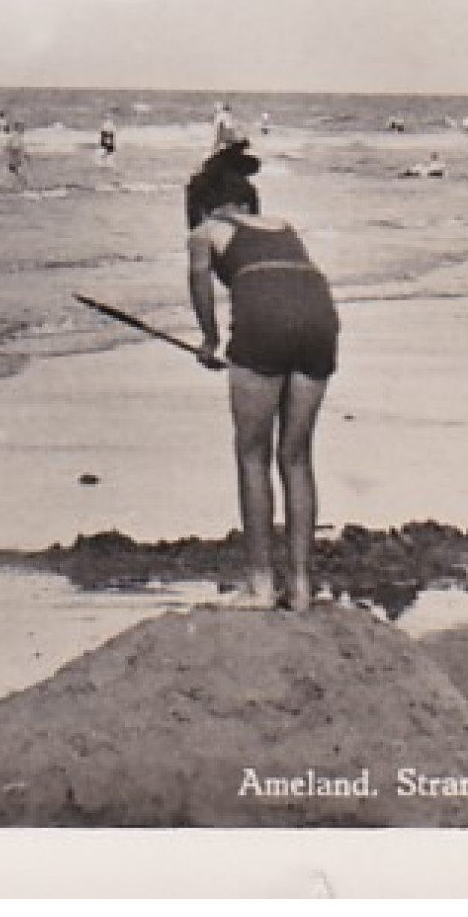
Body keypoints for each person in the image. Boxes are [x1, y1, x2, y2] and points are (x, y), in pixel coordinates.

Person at [186, 141, 340, 611]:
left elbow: (202, 294)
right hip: (320, 319)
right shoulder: (283, 226)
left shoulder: (205, 230)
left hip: (265, 326)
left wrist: (210, 342)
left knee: (252, 454)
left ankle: (259, 582)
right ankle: (299, 586)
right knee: (296, 457)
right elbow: (289, 279)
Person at [3, 122, 31, 190]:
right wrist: (25, 155)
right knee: (18, 173)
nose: (23, 130)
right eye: (22, 128)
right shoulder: (16, 137)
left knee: (16, 173)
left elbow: (8, 147)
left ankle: (18, 186)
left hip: (14, 159)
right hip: (15, 159)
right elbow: (15, 148)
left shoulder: (14, 136)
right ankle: (21, 186)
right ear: (18, 128)